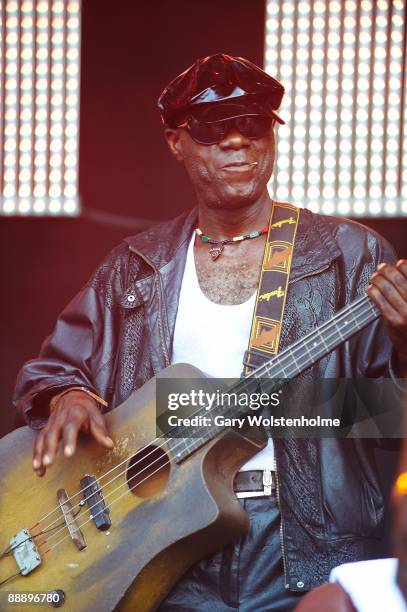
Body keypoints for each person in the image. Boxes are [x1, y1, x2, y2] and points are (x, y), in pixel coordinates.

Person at [13, 54, 407, 611]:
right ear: (177, 142)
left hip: (302, 544)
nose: (237, 143)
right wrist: (69, 394)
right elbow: (52, 370)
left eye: (254, 125)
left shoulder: (351, 254)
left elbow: (392, 418)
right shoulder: (137, 265)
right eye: (213, 131)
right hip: (162, 540)